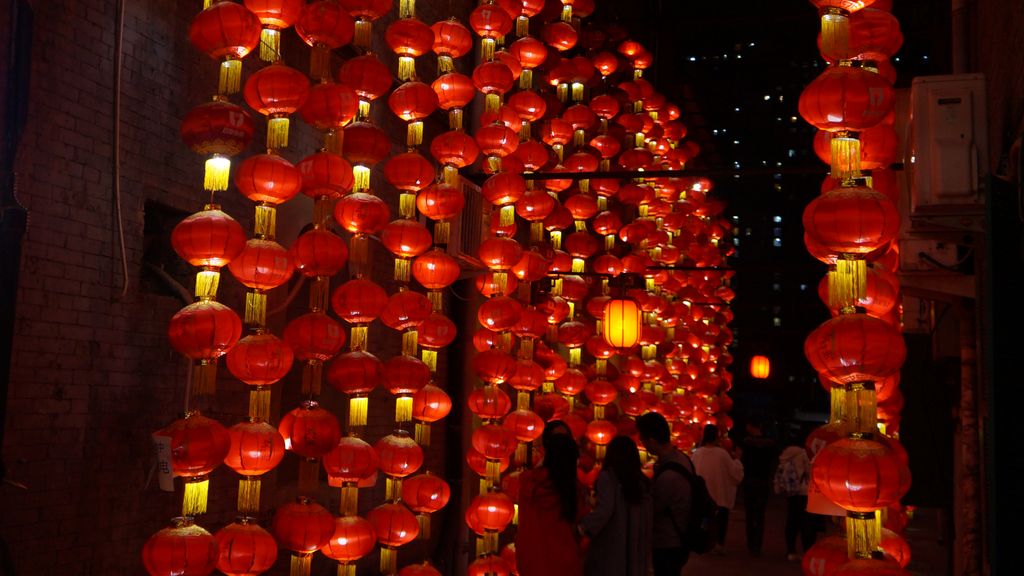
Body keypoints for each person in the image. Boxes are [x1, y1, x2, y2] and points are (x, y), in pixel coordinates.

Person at [517, 432, 589, 576]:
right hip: (565, 564)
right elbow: (582, 524)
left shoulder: (528, 483)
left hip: (532, 562)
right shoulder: (572, 488)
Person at [579, 436, 653, 576]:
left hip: (613, 544)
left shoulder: (608, 477)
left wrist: (584, 526)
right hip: (636, 546)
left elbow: (604, 510)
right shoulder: (643, 482)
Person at [636, 412, 692, 576]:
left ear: (652, 440)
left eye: (643, 440)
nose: (643, 445)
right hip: (678, 537)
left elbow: (654, 507)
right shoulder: (681, 459)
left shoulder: (669, 475)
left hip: (669, 541)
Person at [691, 424, 743, 551]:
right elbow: (734, 472)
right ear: (717, 437)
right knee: (720, 520)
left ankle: (702, 541)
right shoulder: (722, 454)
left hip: (702, 495)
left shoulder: (697, 454)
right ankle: (719, 543)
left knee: (703, 520)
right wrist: (737, 460)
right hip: (719, 494)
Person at [740, 415, 777, 557]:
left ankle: (751, 543)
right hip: (763, 481)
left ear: (751, 426)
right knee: (760, 514)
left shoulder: (746, 442)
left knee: (750, 514)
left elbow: (740, 459)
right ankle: (758, 544)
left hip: (749, 480)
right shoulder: (770, 444)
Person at [776, 433, 816, 560]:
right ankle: (807, 551)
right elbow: (809, 473)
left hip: (791, 492)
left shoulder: (784, 455)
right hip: (803, 492)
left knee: (791, 520)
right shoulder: (803, 454)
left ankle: (791, 550)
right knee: (806, 523)